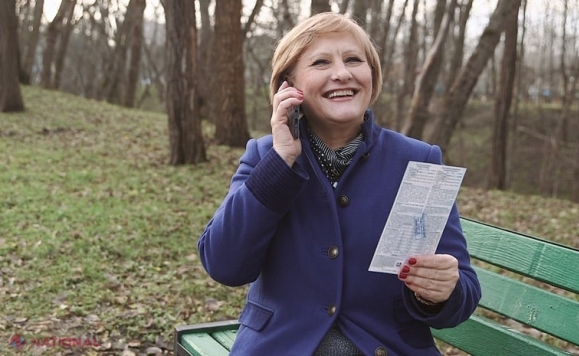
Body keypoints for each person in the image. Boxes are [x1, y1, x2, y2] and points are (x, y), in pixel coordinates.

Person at [198, 12, 481, 356]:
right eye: (321, 62)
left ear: (371, 76)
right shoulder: (265, 156)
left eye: (353, 60)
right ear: (289, 84)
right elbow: (224, 265)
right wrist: (281, 160)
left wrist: (437, 291)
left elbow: (463, 294)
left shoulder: (417, 161)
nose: (342, 73)